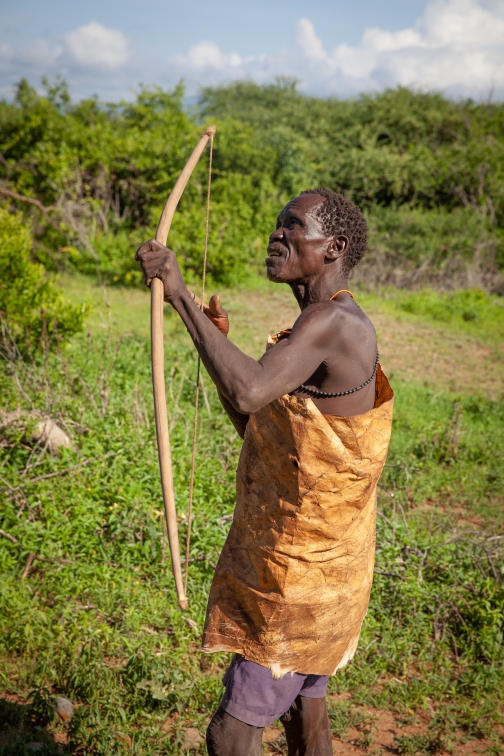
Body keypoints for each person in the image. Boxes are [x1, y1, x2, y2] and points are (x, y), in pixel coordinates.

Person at [136, 188, 394, 756]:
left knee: (230, 737)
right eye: (277, 224)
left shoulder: (332, 321)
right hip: (325, 573)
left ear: (334, 247)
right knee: (309, 725)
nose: (276, 235)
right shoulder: (317, 324)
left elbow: (248, 388)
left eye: (292, 226)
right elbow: (260, 427)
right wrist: (213, 338)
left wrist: (177, 294)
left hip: (297, 580)